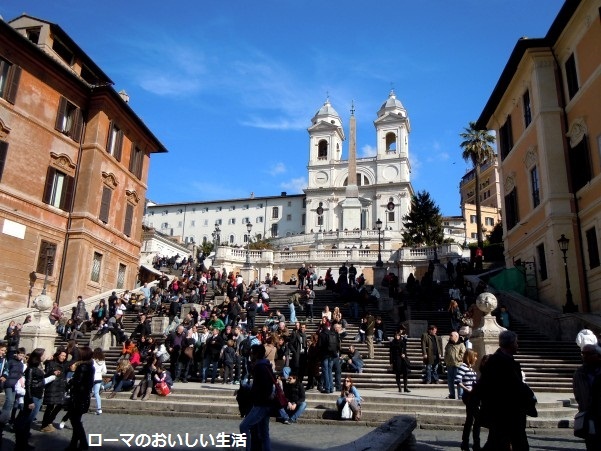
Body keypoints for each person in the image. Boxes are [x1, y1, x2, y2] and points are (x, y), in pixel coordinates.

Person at [478, 330, 535, 451]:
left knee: (498, 442)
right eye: (516, 343)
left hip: (504, 413)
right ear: (510, 344)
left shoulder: (497, 361)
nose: (517, 345)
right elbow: (515, 386)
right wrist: (529, 396)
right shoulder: (500, 363)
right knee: (513, 444)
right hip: (506, 413)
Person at [15, 348, 59, 449]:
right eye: (43, 355)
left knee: (28, 422)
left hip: (38, 396)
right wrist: (30, 400)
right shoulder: (31, 368)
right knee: (26, 421)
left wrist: (51, 373)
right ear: (38, 356)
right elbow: (29, 384)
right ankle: (20, 444)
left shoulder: (37, 367)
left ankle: (23, 443)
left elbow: (39, 378)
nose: (44, 356)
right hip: (33, 397)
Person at [239, 344, 275, 451]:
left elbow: (263, 387)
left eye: (252, 353)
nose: (250, 355)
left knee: (244, 426)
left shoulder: (260, 367)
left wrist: (250, 389)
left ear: (256, 354)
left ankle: (248, 449)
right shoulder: (267, 366)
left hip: (261, 403)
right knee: (264, 433)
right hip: (266, 403)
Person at [573, 343, 601, 451]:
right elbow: (577, 392)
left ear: (598, 356)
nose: (585, 356)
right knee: (591, 444)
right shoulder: (579, 373)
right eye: (583, 354)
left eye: (588, 354)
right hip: (589, 414)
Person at [66, 346, 94, 451]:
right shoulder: (90, 366)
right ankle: (74, 444)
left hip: (78, 397)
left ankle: (83, 443)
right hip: (84, 396)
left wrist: (70, 382)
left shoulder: (82, 367)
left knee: (75, 421)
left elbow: (78, 382)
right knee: (76, 420)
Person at [456, 349, 480, 451]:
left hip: (473, 395)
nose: (476, 358)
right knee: (477, 418)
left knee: (470, 420)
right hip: (468, 396)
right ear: (470, 357)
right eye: (474, 356)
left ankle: (465, 442)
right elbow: (457, 380)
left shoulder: (470, 368)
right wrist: (467, 388)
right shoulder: (463, 367)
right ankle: (475, 443)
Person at [40, 348, 69, 432]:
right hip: (52, 387)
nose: (63, 357)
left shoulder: (64, 364)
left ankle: (49, 421)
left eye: (65, 356)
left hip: (60, 387)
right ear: (58, 355)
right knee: (50, 406)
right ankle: (44, 424)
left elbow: (74, 360)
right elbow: (47, 373)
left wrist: (72, 349)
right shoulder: (51, 362)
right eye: (62, 355)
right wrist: (53, 372)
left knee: (60, 404)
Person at [445, 331, 466, 400]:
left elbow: (463, 354)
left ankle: (460, 395)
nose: (450, 337)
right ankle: (452, 394)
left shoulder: (461, 344)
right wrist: (446, 360)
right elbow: (446, 353)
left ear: (456, 336)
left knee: (458, 381)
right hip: (449, 365)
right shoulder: (448, 344)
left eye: (451, 335)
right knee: (450, 381)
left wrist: (457, 358)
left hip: (458, 365)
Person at [390, 328, 411, 393]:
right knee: (398, 374)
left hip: (403, 359)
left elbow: (405, 350)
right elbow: (391, 353)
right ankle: (399, 387)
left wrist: (404, 354)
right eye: (396, 336)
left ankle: (405, 387)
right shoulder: (392, 343)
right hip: (396, 359)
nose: (397, 337)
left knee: (405, 373)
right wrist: (391, 362)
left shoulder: (402, 342)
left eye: (398, 336)